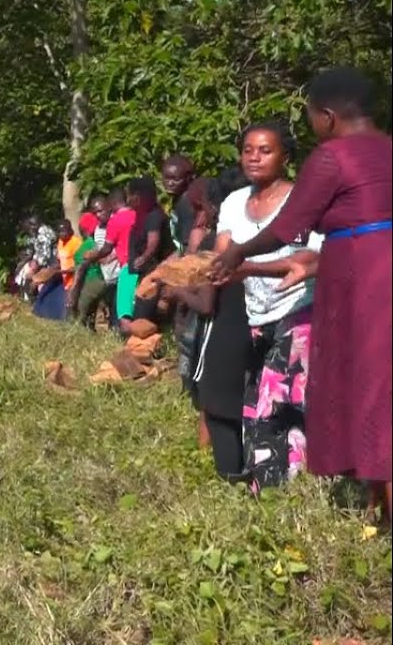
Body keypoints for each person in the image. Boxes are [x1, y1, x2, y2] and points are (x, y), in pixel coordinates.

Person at [213, 67, 390, 520]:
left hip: (362, 276)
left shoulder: (333, 158)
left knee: (371, 389)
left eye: (311, 116)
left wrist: (238, 253)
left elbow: (288, 227)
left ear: (327, 116)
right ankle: (373, 505)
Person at [213, 121, 323, 494]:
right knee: (256, 403)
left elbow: (311, 257)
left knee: (275, 403)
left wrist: (248, 266)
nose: (254, 157)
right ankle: (275, 488)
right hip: (256, 318)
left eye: (265, 150)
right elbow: (223, 256)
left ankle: (281, 491)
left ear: (285, 157)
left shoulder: (303, 201)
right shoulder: (232, 203)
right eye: (248, 150)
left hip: (298, 311)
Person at [168, 169, 252, 477]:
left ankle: (223, 473)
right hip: (258, 327)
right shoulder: (262, 237)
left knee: (218, 409)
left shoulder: (216, 246)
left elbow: (205, 304)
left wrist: (176, 291)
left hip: (223, 331)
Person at [123, 177, 173, 327]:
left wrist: (143, 258)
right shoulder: (143, 215)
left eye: (129, 195)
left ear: (137, 196)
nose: (128, 199)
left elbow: (153, 241)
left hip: (155, 273)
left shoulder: (153, 216)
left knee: (142, 316)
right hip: (147, 273)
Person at [85, 189, 130, 325]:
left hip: (119, 272)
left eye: (101, 211)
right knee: (110, 306)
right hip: (107, 275)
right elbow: (100, 248)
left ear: (109, 208)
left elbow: (123, 245)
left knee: (119, 307)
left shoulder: (116, 221)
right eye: (95, 212)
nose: (98, 215)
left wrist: (109, 257)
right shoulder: (98, 229)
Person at [68, 205, 108, 330]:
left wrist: (73, 293)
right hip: (103, 280)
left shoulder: (86, 246)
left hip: (91, 280)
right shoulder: (99, 241)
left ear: (82, 227)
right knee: (92, 314)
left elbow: (80, 271)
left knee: (81, 312)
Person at [23, 215, 63, 321]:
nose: (31, 227)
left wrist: (34, 268)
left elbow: (44, 256)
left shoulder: (44, 233)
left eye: (33, 224)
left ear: (38, 223)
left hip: (53, 264)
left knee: (32, 281)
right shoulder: (36, 232)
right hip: (44, 263)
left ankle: (37, 307)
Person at [161, 154, 198, 253]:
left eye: (176, 179)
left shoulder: (187, 204)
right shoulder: (178, 198)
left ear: (188, 178)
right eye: (166, 178)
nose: (170, 183)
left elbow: (188, 242)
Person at [55, 218, 83, 302]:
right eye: (59, 232)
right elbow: (59, 259)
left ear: (70, 230)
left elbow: (79, 265)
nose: (62, 234)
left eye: (64, 231)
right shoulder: (60, 242)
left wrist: (62, 271)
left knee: (69, 303)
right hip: (64, 279)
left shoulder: (76, 242)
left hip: (74, 279)